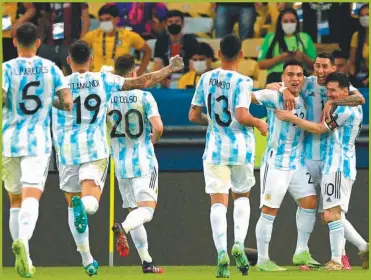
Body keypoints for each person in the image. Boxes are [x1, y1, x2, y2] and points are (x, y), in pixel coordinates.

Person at [51, 40, 184, 276]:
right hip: (106, 151)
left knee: (75, 205)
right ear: (91, 60)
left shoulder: (59, 84)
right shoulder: (107, 83)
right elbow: (143, 82)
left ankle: (90, 260)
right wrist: (169, 69)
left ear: (69, 61)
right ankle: (95, 211)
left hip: (72, 152)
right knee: (118, 205)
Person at [272, 53, 367, 270]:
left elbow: (360, 99)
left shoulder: (344, 92)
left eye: (325, 66)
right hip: (308, 155)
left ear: (333, 68)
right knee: (311, 206)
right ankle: (302, 251)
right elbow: (272, 84)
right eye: (317, 66)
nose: (321, 70)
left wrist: (333, 100)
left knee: (331, 213)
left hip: (332, 159)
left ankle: (341, 256)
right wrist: (285, 89)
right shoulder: (307, 83)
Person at [189, 34, 268, 278]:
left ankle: (221, 251)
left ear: (219, 54)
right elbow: (242, 115)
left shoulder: (205, 78)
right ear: (241, 55)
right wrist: (258, 123)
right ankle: (238, 244)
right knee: (242, 197)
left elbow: (193, 115)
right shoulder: (243, 81)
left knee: (218, 202)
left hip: (214, 148)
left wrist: (211, 121)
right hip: (241, 148)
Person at [2, 22, 73, 278]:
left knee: (15, 200)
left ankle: (25, 255)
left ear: (14, 41)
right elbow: (67, 103)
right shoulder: (51, 68)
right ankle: (24, 241)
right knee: (32, 195)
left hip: (8, 140)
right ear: (39, 42)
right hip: (38, 142)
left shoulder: (6, 68)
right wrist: (47, 100)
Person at [251, 60, 320, 271]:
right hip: (276, 162)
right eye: (290, 75)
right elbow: (248, 96)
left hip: (296, 162)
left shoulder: (307, 97)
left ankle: (301, 252)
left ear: (303, 78)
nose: (295, 79)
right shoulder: (274, 96)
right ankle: (263, 259)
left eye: (298, 75)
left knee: (309, 203)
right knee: (269, 210)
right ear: (283, 77)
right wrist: (279, 88)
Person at [106, 55, 164, 274]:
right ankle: (124, 227)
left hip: (120, 164)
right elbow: (157, 127)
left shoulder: (108, 98)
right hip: (143, 161)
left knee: (135, 211)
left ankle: (146, 262)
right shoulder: (144, 96)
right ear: (134, 73)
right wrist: (154, 139)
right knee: (146, 212)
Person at [83, 4, 152, 75]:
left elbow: (148, 51)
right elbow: (78, 53)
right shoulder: (93, 35)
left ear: (116, 19)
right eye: (101, 20)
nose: (104, 23)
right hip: (98, 79)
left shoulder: (128, 35)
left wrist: (139, 73)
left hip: (121, 79)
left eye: (107, 19)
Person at [258, 8, 316, 83]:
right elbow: (261, 65)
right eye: (285, 21)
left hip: (299, 75)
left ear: (297, 22)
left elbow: (315, 66)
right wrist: (281, 57)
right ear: (280, 23)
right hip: (276, 75)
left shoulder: (305, 37)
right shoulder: (270, 37)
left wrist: (303, 57)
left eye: (292, 21)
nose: (289, 23)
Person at [37, 3, 90, 75]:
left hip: (70, 43)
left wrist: (81, 41)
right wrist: (40, 39)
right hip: (49, 44)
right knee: (44, 75)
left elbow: (86, 19)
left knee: (74, 76)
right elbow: (44, 17)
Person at [153, 9, 199, 88]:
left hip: (187, 81)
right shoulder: (161, 42)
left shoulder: (191, 41)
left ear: (183, 24)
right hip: (166, 81)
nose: (174, 24)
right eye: (170, 22)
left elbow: (193, 67)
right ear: (166, 25)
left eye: (177, 21)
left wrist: (184, 81)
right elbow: (157, 67)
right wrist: (163, 82)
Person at [348, 4, 369, 87]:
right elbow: (351, 61)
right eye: (362, 16)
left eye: (368, 15)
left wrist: (367, 80)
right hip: (363, 75)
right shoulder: (356, 36)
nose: (365, 18)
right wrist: (353, 76)